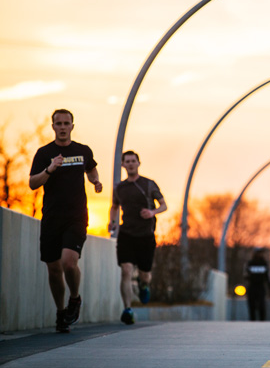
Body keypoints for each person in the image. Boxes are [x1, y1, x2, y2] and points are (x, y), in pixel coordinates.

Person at [29, 109, 102, 333]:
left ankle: (75, 298)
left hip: (76, 217)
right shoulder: (44, 153)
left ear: (72, 125)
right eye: (58, 123)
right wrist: (50, 169)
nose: (62, 127)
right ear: (53, 127)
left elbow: (91, 169)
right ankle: (61, 314)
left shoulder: (82, 150)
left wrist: (96, 182)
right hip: (52, 217)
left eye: (66, 123)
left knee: (69, 262)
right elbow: (32, 183)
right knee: (53, 269)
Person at [109, 150, 167, 325]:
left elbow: (164, 205)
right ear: (123, 165)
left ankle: (144, 285)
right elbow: (114, 206)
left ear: (138, 163)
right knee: (126, 270)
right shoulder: (120, 188)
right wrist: (112, 222)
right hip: (126, 233)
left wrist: (152, 212)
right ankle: (127, 309)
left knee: (145, 274)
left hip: (145, 235)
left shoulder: (149, 185)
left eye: (134, 161)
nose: (131, 164)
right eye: (127, 161)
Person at [245, 248, 270, 321]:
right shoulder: (250, 263)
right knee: (251, 305)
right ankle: (252, 320)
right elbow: (245, 275)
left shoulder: (264, 263)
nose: (259, 254)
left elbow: (267, 277)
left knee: (261, 305)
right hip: (252, 286)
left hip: (261, 287)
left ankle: (262, 321)